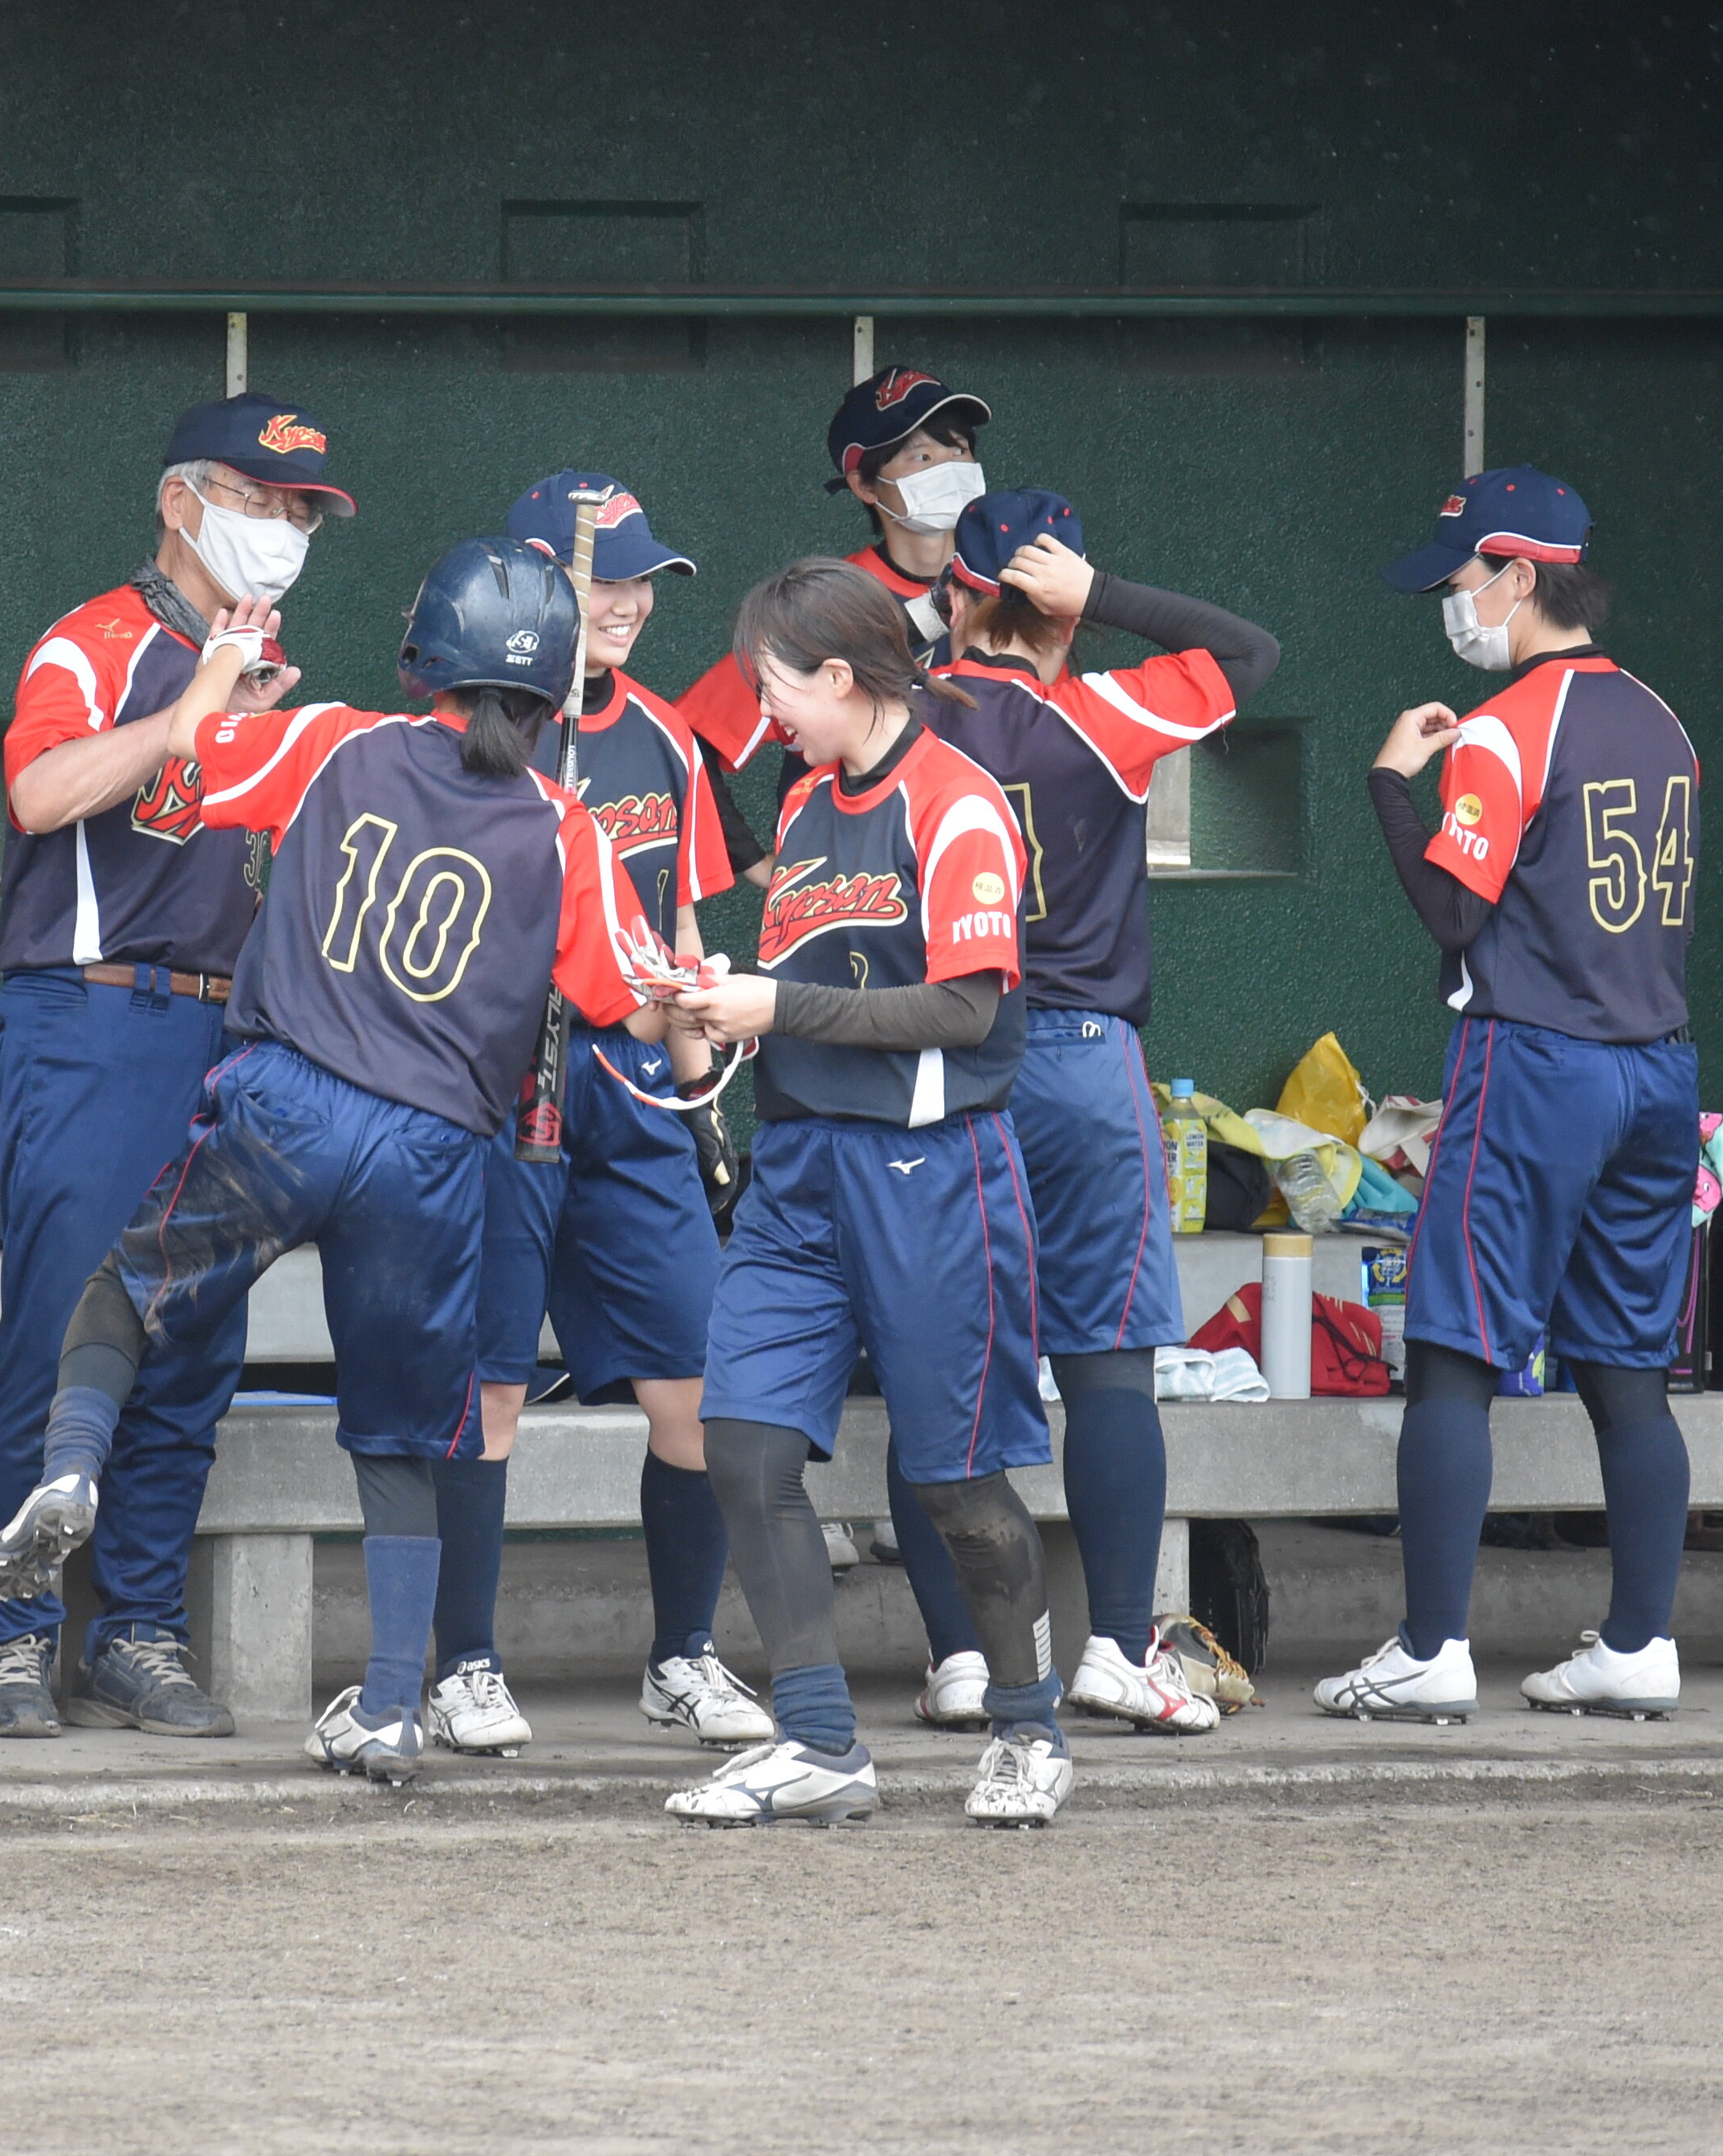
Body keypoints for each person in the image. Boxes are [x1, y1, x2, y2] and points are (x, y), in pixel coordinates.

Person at [0, 539, 671, 1787]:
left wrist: (224, 682)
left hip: (284, 1103)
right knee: (402, 1434)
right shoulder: (567, 827)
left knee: (126, 1295)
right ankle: (396, 1708)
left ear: (427, 658)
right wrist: (714, 1004)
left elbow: (197, 758)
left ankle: (71, 1467)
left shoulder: (345, 741)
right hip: (434, 1150)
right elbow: (624, 996)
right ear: (555, 694)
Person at [0, 396, 348, 1742]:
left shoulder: (269, 662)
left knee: (193, 1344)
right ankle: (8, 1640)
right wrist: (190, 710)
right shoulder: (94, 640)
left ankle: (132, 1631)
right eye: (258, 499)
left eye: (301, 510)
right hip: (92, 1017)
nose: (282, 527)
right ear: (180, 503)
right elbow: (36, 793)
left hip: (224, 1029)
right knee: (66, 1332)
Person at [658, 559, 1071, 1828]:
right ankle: (824, 1743)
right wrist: (726, 1009)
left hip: (934, 1174)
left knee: (954, 1482)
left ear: (842, 677)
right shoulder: (801, 807)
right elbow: (810, 983)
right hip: (799, 1169)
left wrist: (778, 1005)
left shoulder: (955, 805)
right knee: (745, 1445)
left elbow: (968, 1006)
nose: (765, 710)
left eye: (775, 686)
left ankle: (1029, 1726)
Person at [887, 487, 1281, 1735]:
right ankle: (1115, 1647)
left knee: (939, 1369)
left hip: (941, 1060)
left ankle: (965, 1654)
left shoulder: (901, 727)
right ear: (1057, 609)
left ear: (958, 596)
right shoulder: (1099, 707)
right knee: (1107, 1369)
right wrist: (1098, 598)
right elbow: (1252, 654)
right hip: (1081, 1058)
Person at [1321, 469, 1701, 1726]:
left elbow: (1450, 911)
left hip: (1538, 1061)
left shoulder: (1504, 725)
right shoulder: (1663, 718)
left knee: (1453, 1358)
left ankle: (1432, 1646)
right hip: (1660, 1066)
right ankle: (1640, 1644)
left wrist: (1388, 781)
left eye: (1461, 580)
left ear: (1521, 576)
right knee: (1628, 1372)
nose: (1452, 604)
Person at [426, 472, 768, 1759]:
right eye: (600, 575)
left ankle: (682, 1657)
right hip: (501, 1096)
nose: (625, 601)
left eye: (641, 579)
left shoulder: (670, 738)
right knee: (494, 1396)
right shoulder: (473, 727)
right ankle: (464, 1664)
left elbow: (682, 935)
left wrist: (700, 1105)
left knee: (698, 1396)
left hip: (627, 1091)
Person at [674, 368, 992, 875]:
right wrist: (754, 862)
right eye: (924, 457)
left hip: (974, 868)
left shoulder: (1009, 588)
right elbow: (682, 742)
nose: (951, 470)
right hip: (850, 887)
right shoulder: (825, 603)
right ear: (866, 485)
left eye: (960, 451)